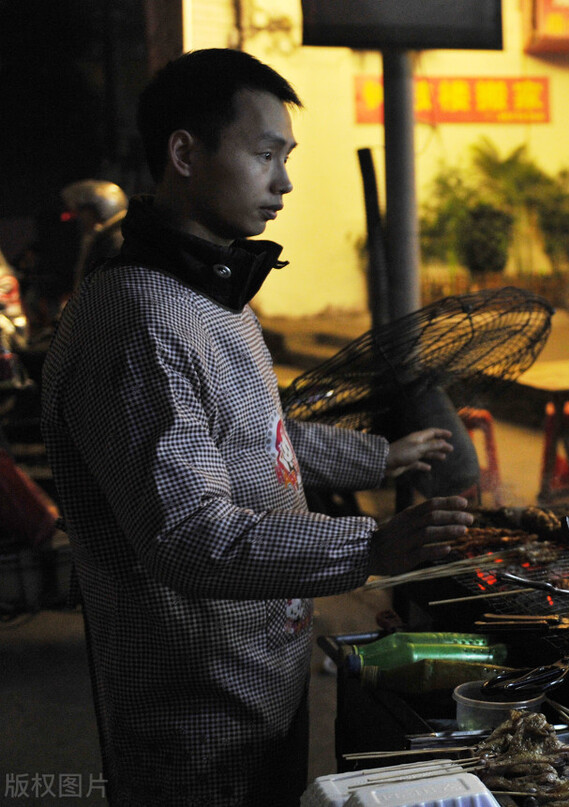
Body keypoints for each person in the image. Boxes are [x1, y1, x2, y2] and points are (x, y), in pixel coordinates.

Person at [40, 49, 473, 806]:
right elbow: (185, 533)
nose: (285, 181)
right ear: (184, 153)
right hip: (193, 707)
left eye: (287, 157)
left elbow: (255, 434)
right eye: (264, 154)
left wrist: (379, 455)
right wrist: (366, 545)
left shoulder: (216, 297)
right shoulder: (139, 320)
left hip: (262, 673)